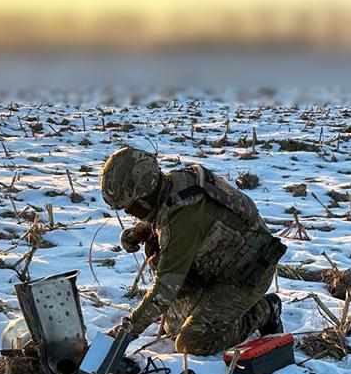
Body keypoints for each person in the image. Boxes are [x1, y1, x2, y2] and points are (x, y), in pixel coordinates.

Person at [99, 147, 286, 355]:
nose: (129, 212)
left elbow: (164, 290)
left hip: (247, 275)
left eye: (130, 207)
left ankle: (265, 310)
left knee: (192, 342)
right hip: (220, 264)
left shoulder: (182, 220)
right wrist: (141, 231)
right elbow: (165, 215)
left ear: (144, 197)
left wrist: (125, 332)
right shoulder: (173, 183)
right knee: (174, 327)